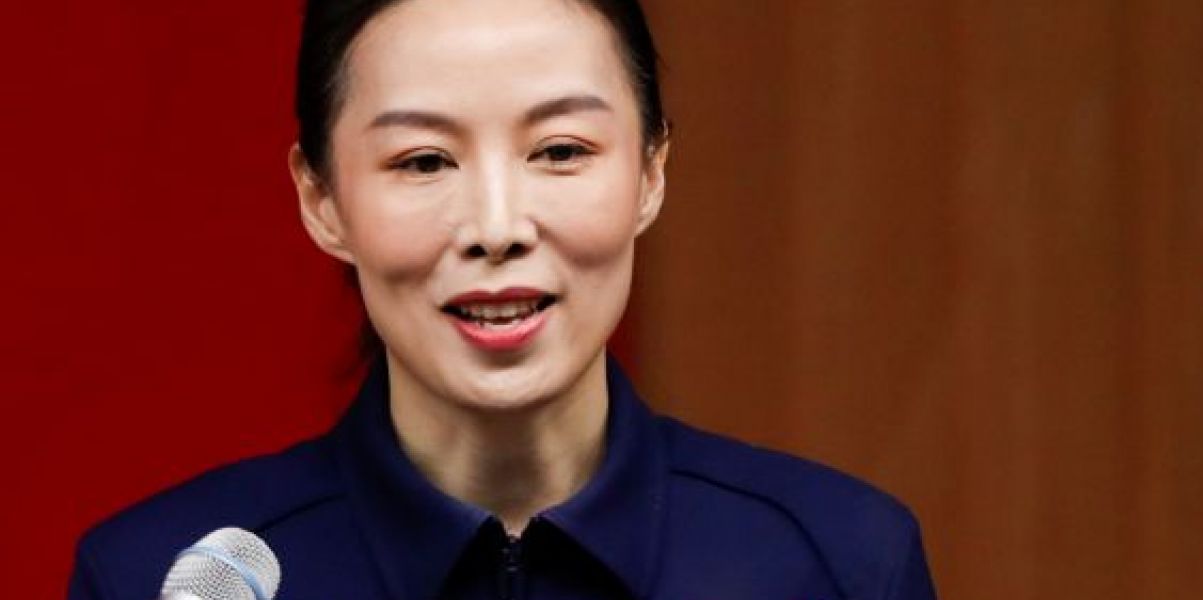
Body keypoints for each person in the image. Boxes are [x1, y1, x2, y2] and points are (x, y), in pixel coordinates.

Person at [67, 0, 936, 598]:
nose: (496, 227)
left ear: (650, 173)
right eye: (423, 161)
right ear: (322, 199)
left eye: (560, 151)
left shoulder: (839, 563)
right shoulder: (170, 579)